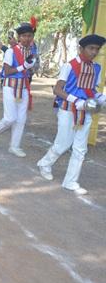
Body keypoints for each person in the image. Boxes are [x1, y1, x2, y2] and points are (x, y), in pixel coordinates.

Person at [36, 34, 106, 195]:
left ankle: (70, 181)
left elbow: (91, 90)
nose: (94, 52)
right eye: (91, 48)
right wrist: (76, 100)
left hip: (86, 111)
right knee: (63, 144)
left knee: (80, 148)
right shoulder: (70, 66)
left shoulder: (97, 68)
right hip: (68, 110)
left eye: (97, 49)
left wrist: (101, 98)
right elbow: (57, 89)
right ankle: (45, 163)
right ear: (81, 48)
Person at [0, 20, 37, 157]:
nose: (27, 38)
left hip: (24, 88)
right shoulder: (10, 51)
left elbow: (31, 71)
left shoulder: (32, 52)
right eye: (24, 36)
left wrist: (31, 68)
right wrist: (23, 67)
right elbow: (7, 71)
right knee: (10, 118)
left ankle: (14, 146)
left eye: (30, 36)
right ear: (19, 37)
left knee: (21, 119)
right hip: (10, 87)